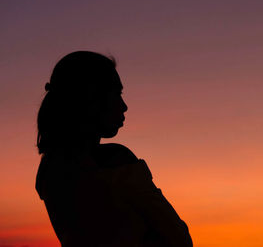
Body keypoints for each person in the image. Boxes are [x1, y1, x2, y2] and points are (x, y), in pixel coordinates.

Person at [35, 51, 193, 247]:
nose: (124, 106)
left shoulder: (48, 172)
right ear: (91, 98)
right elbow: (179, 238)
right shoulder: (116, 163)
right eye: (117, 94)